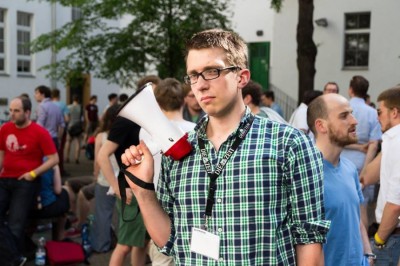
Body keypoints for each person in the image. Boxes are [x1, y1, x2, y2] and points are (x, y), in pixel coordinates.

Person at [121, 29, 329, 265]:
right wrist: (143, 191)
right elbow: (169, 242)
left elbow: (309, 241)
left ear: (241, 77)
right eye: (193, 76)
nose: (199, 85)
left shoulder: (288, 144)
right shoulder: (178, 152)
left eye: (212, 71)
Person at [307, 94, 374, 266]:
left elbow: (355, 217)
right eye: (344, 116)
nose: (354, 121)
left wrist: (368, 255)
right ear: (321, 125)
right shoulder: (305, 175)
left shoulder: (349, 168)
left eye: (351, 113)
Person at [0, 96, 59, 265]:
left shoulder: (40, 132)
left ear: (27, 112)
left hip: (26, 182)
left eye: (16, 111)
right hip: (5, 180)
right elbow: (2, 157)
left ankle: (12, 259)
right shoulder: (5, 129)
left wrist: (33, 174)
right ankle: (15, 258)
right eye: (10, 110)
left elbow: (54, 159)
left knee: (16, 224)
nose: (12, 114)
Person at [341, 76, 382, 230]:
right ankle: (363, 249)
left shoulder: (342, 110)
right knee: (361, 207)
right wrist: (366, 170)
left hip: (342, 159)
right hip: (362, 161)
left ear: (350, 89)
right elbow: (373, 145)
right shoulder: (372, 112)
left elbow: (338, 139)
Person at [370, 86, 400, 265]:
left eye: (380, 112)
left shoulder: (397, 141)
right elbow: (365, 178)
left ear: (394, 112)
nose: (376, 117)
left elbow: (396, 204)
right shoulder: (391, 139)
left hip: (392, 235)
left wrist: (379, 241)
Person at [90, 104, 120, 253]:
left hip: (104, 180)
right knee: (125, 216)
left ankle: (101, 245)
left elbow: (97, 160)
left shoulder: (101, 137)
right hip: (123, 181)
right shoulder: (127, 134)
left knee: (102, 215)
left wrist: (95, 175)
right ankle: (126, 245)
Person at [51, 88, 70, 176]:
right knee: (60, 150)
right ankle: (60, 170)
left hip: (50, 131)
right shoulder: (62, 105)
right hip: (60, 130)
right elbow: (66, 119)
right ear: (59, 95)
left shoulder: (48, 105)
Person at [65, 95, 84, 164]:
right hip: (78, 125)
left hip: (70, 126)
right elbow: (82, 118)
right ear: (78, 100)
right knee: (78, 143)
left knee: (68, 141)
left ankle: (67, 157)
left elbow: (67, 117)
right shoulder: (81, 107)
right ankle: (76, 158)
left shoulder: (68, 107)